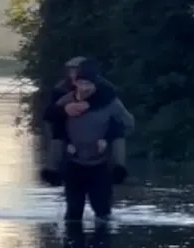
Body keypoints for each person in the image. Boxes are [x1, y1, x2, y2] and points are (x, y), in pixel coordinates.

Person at [52, 58, 135, 220]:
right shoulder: (66, 100)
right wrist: (67, 143)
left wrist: (108, 137)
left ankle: (102, 242)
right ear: (75, 83)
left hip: (101, 165)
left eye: (88, 85)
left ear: (95, 84)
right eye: (81, 83)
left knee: (103, 213)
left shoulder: (110, 102)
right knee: (73, 214)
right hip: (73, 164)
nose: (84, 88)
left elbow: (129, 124)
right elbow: (54, 125)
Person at [40, 57, 128, 187]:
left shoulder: (105, 87)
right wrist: (65, 109)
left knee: (117, 134)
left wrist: (88, 104)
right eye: (70, 70)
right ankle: (53, 169)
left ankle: (119, 168)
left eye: (76, 70)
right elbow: (50, 114)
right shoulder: (61, 88)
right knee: (57, 136)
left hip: (100, 132)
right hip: (68, 133)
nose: (73, 74)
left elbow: (110, 102)